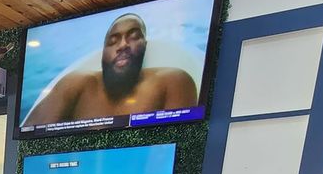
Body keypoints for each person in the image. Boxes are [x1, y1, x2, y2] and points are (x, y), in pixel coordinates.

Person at [22, 13, 198, 126]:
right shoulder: (76, 83)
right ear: (103, 53)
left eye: (134, 37)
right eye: (113, 41)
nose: (123, 45)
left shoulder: (173, 80)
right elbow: (29, 135)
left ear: (145, 45)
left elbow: (176, 148)